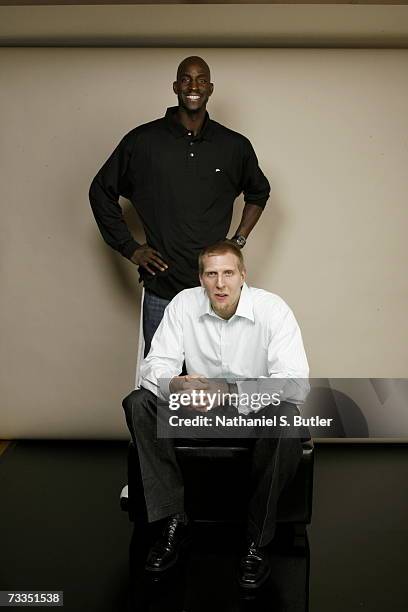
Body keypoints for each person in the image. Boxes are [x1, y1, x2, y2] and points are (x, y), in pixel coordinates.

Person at [122, 241, 310, 589]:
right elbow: (156, 363)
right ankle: (173, 522)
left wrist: (232, 391)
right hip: (196, 413)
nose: (220, 283)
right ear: (201, 278)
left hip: (251, 416)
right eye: (212, 274)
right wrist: (174, 385)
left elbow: (295, 384)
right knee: (139, 402)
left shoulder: (273, 310)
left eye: (227, 273)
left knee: (286, 416)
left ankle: (257, 542)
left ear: (243, 276)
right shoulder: (183, 304)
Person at [89, 56, 270, 354]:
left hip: (215, 291)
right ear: (175, 86)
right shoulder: (143, 142)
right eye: (186, 79)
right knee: (164, 382)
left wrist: (237, 240)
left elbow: (259, 192)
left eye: (201, 80)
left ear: (210, 88)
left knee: (215, 382)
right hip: (163, 288)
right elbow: (100, 191)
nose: (193, 86)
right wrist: (130, 248)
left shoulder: (233, 146)